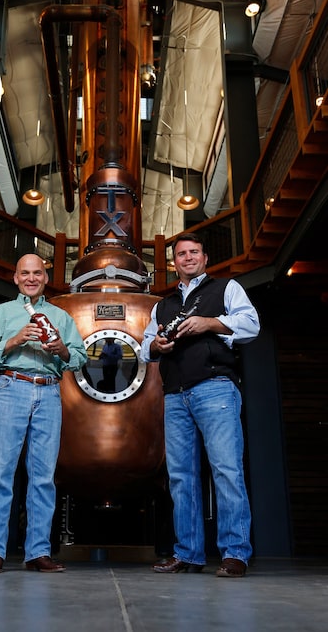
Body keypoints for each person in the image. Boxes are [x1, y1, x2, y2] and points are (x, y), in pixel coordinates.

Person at [141, 233, 260, 578]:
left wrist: (211, 323)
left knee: (226, 470)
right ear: (174, 262)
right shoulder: (161, 305)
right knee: (181, 478)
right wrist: (158, 346)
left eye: (194, 252)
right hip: (175, 394)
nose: (188, 258)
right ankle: (189, 554)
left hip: (216, 389)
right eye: (181, 254)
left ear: (205, 258)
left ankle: (235, 553)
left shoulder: (226, 289)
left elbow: (252, 325)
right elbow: (145, 344)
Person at [0, 253, 87, 573]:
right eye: (25, 273)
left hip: (50, 391)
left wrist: (61, 349)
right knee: (0, 474)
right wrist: (14, 340)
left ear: (46, 278)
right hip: (11, 387)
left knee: (43, 477)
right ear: (16, 278)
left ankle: (37, 552)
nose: (32, 278)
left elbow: (77, 358)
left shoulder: (61, 317)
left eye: (37, 273)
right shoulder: (0, 314)